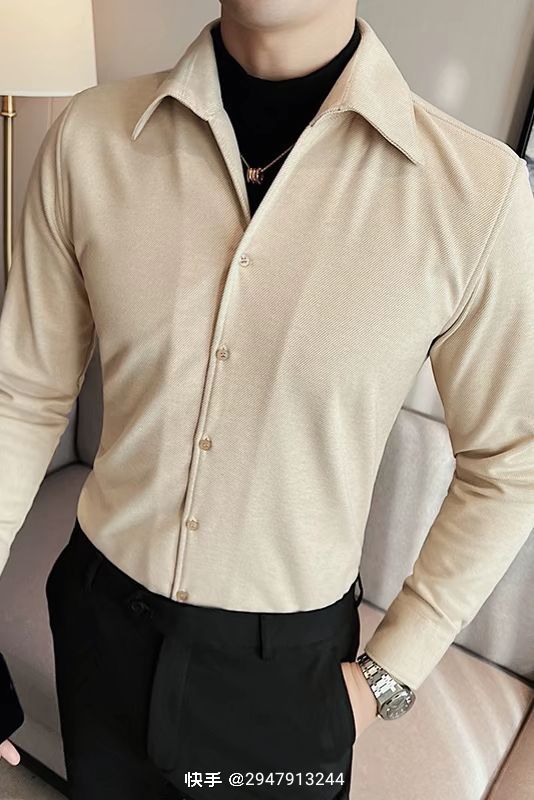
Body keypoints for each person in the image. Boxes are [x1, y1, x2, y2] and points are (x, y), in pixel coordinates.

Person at [1, 0, 533, 797]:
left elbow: (510, 463)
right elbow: (21, 393)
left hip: (289, 680)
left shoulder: (476, 195)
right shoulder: (91, 136)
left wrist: (386, 676)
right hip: (98, 624)